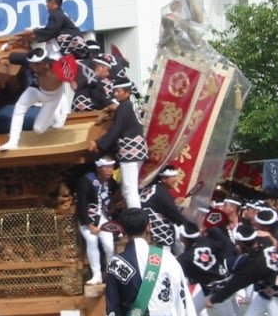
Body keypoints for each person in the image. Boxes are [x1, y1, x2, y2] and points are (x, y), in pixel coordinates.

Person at [88, 78, 148, 209]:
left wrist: (98, 143)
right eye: (114, 91)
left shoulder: (124, 107)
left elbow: (116, 130)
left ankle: (136, 217)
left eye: (118, 91)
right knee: (128, 188)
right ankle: (134, 213)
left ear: (127, 92)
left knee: (129, 188)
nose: (115, 94)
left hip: (130, 151)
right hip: (138, 149)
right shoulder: (132, 105)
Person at [0, 48, 68, 151]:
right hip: (36, 89)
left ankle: (55, 117)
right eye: (31, 64)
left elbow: (74, 75)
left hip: (52, 98)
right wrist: (1, 57)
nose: (31, 66)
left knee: (38, 129)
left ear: (43, 64)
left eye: (34, 65)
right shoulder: (32, 63)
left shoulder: (59, 69)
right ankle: (13, 142)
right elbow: (17, 57)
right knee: (20, 107)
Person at [74, 156, 118, 284]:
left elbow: (113, 198)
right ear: (99, 168)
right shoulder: (87, 181)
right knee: (92, 240)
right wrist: (89, 225)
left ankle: (111, 275)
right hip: (88, 217)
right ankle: (96, 275)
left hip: (103, 216)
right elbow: (81, 205)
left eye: (111, 167)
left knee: (109, 246)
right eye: (107, 167)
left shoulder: (110, 182)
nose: (110, 170)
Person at [19, 0, 87, 60]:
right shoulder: (61, 14)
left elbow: (50, 31)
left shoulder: (56, 15)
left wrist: (33, 32)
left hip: (71, 48)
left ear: (53, 2)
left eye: (47, 3)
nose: (46, 6)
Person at [140, 165, 191, 249]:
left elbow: (156, 202)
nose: (176, 180)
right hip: (157, 237)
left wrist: (173, 200)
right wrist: (190, 227)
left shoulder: (152, 187)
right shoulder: (162, 193)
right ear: (164, 178)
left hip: (143, 232)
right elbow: (175, 214)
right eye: (173, 177)